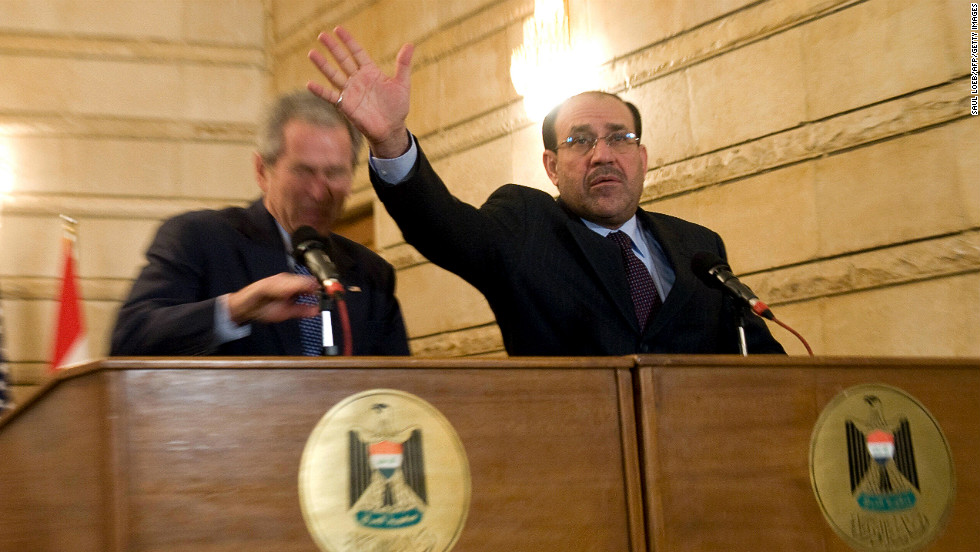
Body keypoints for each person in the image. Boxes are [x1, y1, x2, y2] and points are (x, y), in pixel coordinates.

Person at [307, 27, 784, 355]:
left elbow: (764, 362)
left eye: (620, 138)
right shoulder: (526, 226)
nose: (603, 154)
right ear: (552, 167)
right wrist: (391, 140)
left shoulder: (700, 249)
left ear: (642, 158)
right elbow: (441, 226)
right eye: (580, 141)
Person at [111, 90, 409, 356]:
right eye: (303, 172)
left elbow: (399, 391)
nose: (319, 192)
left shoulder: (371, 274)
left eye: (334, 173)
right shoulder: (199, 239)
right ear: (262, 171)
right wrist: (236, 309)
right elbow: (130, 338)